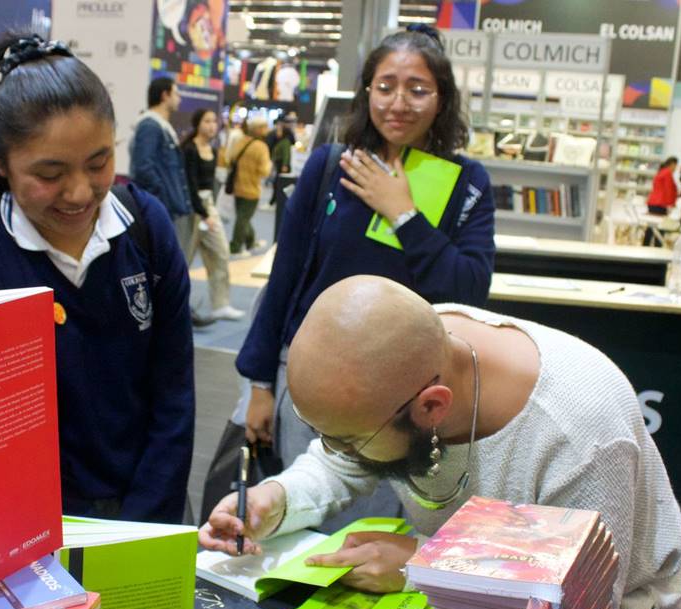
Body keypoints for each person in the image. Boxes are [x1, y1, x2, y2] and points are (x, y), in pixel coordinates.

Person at [202, 275, 681, 609]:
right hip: (455, 595)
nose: (337, 451)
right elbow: (343, 458)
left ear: (431, 408)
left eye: (348, 439)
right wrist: (275, 497)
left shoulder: (579, 433)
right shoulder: (406, 357)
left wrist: (422, 568)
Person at [0, 33, 194, 523]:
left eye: (99, 163)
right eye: (49, 174)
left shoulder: (146, 228)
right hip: (30, 527)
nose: (78, 192)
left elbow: (173, 397)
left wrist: (143, 523)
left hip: (149, 509)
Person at [236, 24, 496, 472]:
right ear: (367, 92)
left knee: (390, 532)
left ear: (442, 99)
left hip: (410, 396)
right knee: (304, 512)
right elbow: (286, 278)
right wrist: (260, 385)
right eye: (385, 87)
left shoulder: (466, 183)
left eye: (418, 90)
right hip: (314, 382)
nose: (398, 103)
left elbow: (469, 289)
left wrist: (404, 216)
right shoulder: (329, 167)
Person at [129, 77, 213, 327]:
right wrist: (161, 200)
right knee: (164, 264)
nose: (179, 99)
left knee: (170, 263)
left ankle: (178, 312)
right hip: (162, 208)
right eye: (176, 93)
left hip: (169, 208)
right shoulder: (150, 126)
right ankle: (174, 315)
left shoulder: (159, 126)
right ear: (165, 95)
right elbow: (144, 168)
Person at [181, 108, 243, 320]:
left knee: (221, 252)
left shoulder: (214, 149)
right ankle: (176, 307)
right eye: (207, 121)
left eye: (214, 121)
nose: (212, 126)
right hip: (191, 209)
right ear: (198, 123)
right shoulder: (189, 149)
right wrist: (203, 212)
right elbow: (189, 184)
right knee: (183, 260)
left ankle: (221, 304)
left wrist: (209, 212)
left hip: (208, 207)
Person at [228, 115, 272, 256]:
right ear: (259, 129)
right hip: (252, 189)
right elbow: (264, 171)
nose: (267, 130)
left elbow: (230, 158)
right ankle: (235, 246)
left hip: (237, 185)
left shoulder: (241, 141)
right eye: (265, 127)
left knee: (243, 216)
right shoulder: (261, 147)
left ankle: (250, 241)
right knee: (243, 218)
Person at [642, 156, 678, 246]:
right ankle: (657, 245)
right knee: (660, 226)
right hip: (660, 203)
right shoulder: (667, 173)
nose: (676, 168)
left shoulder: (661, 172)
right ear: (672, 164)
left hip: (654, 202)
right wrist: (671, 204)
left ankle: (646, 244)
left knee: (651, 225)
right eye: (675, 166)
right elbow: (668, 189)